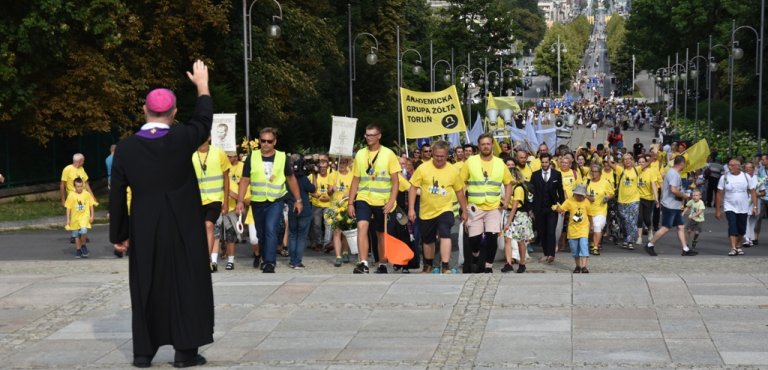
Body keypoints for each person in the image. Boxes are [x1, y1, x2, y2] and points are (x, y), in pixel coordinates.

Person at [110, 60, 213, 368]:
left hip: (145, 225)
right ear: (174, 113)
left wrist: (119, 235)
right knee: (186, 283)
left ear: (145, 109)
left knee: (145, 285)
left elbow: (116, 196)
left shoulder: (126, 149)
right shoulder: (181, 139)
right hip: (183, 225)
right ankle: (185, 351)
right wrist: (202, 86)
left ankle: (144, 352)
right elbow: (204, 121)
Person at [236, 127, 303, 273]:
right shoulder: (251, 157)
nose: (266, 144)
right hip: (258, 201)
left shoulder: (282, 157)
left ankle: (269, 262)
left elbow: (291, 179)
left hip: (276, 200)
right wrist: (240, 201)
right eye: (263, 141)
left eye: (269, 141)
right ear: (259, 141)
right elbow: (245, 179)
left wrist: (298, 200)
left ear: (275, 142)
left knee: (271, 229)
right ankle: (264, 256)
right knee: (261, 233)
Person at [347, 124, 401, 274]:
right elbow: (356, 179)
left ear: (379, 136)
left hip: (383, 201)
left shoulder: (389, 154)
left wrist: (391, 201)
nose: (368, 138)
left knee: (381, 234)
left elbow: (395, 181)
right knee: (362, 227)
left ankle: (382, 264)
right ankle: (363, 262)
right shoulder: (360, 154)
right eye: (366, 135)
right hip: (364, 198)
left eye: (372, 135)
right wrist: (351, 202)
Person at [408, 140, 468, 274]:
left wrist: (464, 210)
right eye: (436, 156)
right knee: (428, 240)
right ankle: (428, 265)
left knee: (445, 233)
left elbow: (459, 191)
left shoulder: (452, 171)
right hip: (426, 211)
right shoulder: (423, 168)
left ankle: (445, 265)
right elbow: (413, 188)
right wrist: (411, 209)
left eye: (442, 156)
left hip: (445, 209)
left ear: (447, 155)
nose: (439, 159)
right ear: (432, 154)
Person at [460, 133, 513, 273]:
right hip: (475, 207)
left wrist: (506, 202)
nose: (485, 146)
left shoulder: (500, 163)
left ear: (492, 145)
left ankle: (489, 265)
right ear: (479, 146)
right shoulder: (470, 162)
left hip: (494, 207)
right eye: (483, 144)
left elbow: (509, 183)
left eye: (488, 144)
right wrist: (464, 206)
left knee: (492, 237)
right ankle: (476, 255)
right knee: (474, 239)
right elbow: (460, 184)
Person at [645, 155, 696, 257]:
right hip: (670, 205)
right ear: (682, 164)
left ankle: (685, 249)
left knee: (681, 226)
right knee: (666, 227)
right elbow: (673, 190)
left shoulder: (674, 173)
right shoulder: (674, 174)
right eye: (685, 164)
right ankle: (650, 245)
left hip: (674, 205)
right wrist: (684, 196)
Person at [193, 138, 231, 272]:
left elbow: (226, 177)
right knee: (198, 231)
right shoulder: (191, 154)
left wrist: (225, 201)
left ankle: (206, 259)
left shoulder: (219, 153)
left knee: (209, 225)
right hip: (197, 199)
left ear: (209, 137)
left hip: (215, 198)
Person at [715, 158, 758, 256]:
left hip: (743, 206)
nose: (729, 167)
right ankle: (733, 248)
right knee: (732, 226)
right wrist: (717, 210)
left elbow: (753, 191)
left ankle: (738, 246)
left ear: (738, 166)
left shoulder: (746, 176)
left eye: (732, 165)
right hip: (729, 206)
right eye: (729, 165)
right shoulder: (724, 177)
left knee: (742, 229)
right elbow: (719, 193)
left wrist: (755, 207)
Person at [531, 153, 565, 263]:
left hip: (552, 208)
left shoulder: (556, 174)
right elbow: (531, 192)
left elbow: (560, 191)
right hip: (539, 208)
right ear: (540, 162)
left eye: (546, 162)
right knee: (542, 232)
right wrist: (531, 208)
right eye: (543, 162)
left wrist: (561, 205)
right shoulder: (535, 175)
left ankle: (551, 255)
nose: (544, 164)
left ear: (550, 162)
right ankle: (546, 253)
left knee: (551, 231)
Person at [501, 167, 533, 273]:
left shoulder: (518, 188)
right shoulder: (509, 188)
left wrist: (508, 222)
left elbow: (515, 206)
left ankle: (522, 263)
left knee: (520, 241)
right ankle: (508, 262)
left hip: (519, 216)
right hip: (510, 213)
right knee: (507, 239)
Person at [556, 183, 593, 273]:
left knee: (584, 246)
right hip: (572, 229)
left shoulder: (587, 202)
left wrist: (591, 225)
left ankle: (584, 266)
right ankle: (577, 266)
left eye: (581, 195)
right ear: (574, 194)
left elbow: (590, 215)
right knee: (574, 249)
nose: (579, 197)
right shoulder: (569, 201)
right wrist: (558, 208)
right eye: (578, 195)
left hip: (583, 228)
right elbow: (562, 209)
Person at [286, 155, 315, 269]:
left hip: (292, 208)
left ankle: (292, 260)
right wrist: (315, 176)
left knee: (292, 235)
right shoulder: (304, 179)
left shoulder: (288, 179)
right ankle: (297, 261)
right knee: (301, 236)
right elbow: (313, 189)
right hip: (305, 209)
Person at [221, 151, 244, 270]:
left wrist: (227, 192)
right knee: (218, 237)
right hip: (217, 209)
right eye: (229, 157)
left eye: (234, 156)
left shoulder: (234, 181)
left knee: (231, 236)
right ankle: (215, 257)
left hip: (230, 211)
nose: (232, 159)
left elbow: (240, 197)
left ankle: (231, 260)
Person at [585, 163, 614, 255]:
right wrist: (587, 197)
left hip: (600, 210)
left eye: (596, 172)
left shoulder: (605, 182)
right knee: (589, 229)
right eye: (592, 172)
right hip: (587, 210)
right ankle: (592, 242)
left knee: (597, 226)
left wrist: (607, 198)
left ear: (600, 173)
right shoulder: (586, 181)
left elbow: (611, 193)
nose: (594, 174)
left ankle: (596, 247)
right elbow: (580, 192)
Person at [331, 157, 354, 266]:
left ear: (347, 163)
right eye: (340, 162)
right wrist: (331, 189)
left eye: (344, 162)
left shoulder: (351, 175)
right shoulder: (333, 175)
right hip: (335, 207)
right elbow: (328, 192)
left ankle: (345, 252)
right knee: (337, 232)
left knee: (345, 233)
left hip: (347, 207)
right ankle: (338, 256)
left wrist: (350, 194)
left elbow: (356, 189)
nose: (342, 165)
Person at [309, 154, 334, 252]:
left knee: (328, 224)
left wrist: (328, 197)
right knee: (317, 225)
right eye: (321, 167)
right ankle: (319, 242)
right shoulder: (313, 175)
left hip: (329, 204)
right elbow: (311, 190)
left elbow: (333, 189)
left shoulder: (332, 175)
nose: (322, 169)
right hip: (316, 204)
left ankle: (327, 244)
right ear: (318, 167)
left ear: (327, 167)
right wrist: (318, 196)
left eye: (324, 167)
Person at [66, 177, 95, 258]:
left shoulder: (86, 194)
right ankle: (78, 250)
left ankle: (83, 245)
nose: (80, 188)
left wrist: (92, 215)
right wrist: (68, 220)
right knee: (76, 235)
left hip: (84, 217)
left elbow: (91, 205)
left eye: (81, 186)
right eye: (78, 186)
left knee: (84, 230)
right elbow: (68, 208)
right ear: (74, 187)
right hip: (75, 218)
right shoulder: (71, 195)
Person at [636, 155, 661, 245]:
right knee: (639, 218)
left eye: (643, 162)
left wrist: (656, 198)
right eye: (639, 162)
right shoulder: (636, 171)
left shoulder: (651, 172)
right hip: (638, 198)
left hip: (649, 198)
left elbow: (653, 185)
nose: (641, 163)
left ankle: (650, 231)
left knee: (647, 219)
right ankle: (639, 237)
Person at [743, 162, 766, 247]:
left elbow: (763, 192)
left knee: (753, 219)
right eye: (746, 168)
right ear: (744, 169)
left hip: (756, 201)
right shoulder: (742, 178)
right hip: (746, 201)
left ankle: (751, 237)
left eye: (750, 168)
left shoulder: (759, 179)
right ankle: (747, 238)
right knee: (746, 218)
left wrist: (758, 194)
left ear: (753, 169)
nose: (748, 169)